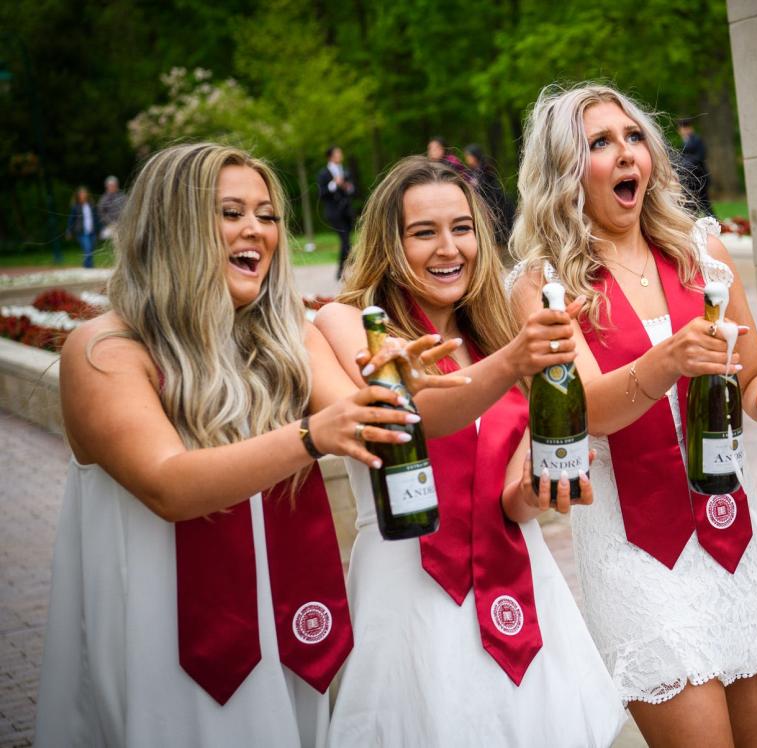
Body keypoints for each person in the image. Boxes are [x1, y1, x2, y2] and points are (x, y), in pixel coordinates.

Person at [34, 142, 459, 747]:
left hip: (278, 629)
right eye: (231, 212)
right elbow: (169, 484)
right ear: (174, 223)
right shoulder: (106, 350)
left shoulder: (283, 336)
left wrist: (395, 385)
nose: (256, 229)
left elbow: (358, 417)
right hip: (163, 637)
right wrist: (312, 435)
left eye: (267, 215)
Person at [508, 83, 757, 747]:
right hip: (634, 542)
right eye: (600, 143)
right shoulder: (546, 282)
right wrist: (666, 361)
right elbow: (585, 409)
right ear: (565, 170)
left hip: (731, 530)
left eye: (634, 137)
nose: (626, 154)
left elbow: (752, 374)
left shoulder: (702, 253)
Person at [313, 156, 625, 746]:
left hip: (515, 579)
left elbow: (514, 498)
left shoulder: (500, 336)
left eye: (461, 228)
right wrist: (513, 363)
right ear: (389, 243)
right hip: (406, 589)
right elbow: (406, 419)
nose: (447, 248)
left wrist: (540, 488)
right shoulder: (347, 325)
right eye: (423, 232)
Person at [316, 145, 357, 279]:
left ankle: (341, 272)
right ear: (331, 156)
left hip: (346, 211)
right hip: (333, 212)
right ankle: (350, 269)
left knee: (346, 241)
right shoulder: (323, 174)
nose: (340, 155)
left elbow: (352, 190)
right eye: (338, 153)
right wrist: (334, 184)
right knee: (346, 241)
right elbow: (321, 194)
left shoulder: (345, 171)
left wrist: (347, 186)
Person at [464, 143, 515, 247]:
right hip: (482, 203)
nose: (467, 159)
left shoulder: (486, 169)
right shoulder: (472, 171)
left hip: (494, 203)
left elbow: (490, 188)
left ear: (474, 156)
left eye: (468, 156)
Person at [677, 118, 713, 217]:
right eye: (682, 128)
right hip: (690, 179)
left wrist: (685, 163)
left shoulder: (697, 140)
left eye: (686, 128)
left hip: (700, 177)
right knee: (691, 205)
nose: (684, 131)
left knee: (705, 203)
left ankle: (715, 223)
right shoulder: (684, 142)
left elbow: (701, 156)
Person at [65, 186, 99, 267]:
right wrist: (69, 230)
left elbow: (96, 218)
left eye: (84, 193)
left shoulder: (91, 205)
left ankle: (87, 266)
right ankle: (88, 267)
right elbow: (71, 219)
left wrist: (99, 229)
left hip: (92, 231)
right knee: (88, 248)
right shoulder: (75, 207)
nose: (83, 195)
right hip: (81, 231)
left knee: (91, 249)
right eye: (81, 193)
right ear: (78, 195)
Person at [98, 175, 127, 241]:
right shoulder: (104, 199)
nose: (112, 187)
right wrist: (109, 222)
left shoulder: (122, 196)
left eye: (114, 185)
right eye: (110, 185)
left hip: (123, 224)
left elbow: (127, 208)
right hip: (111, 225)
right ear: (107, 186)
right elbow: (101, 213)